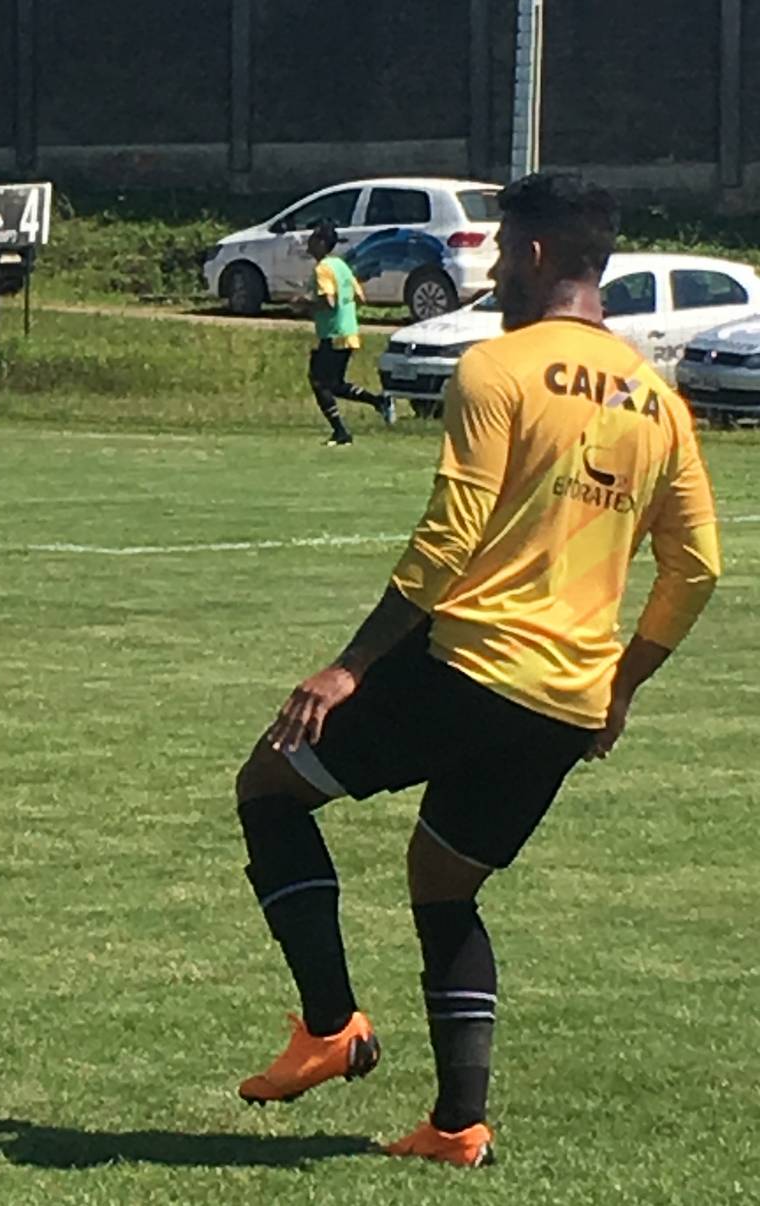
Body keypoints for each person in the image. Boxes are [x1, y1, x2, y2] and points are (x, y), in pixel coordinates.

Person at [230, 174, 720, 1166]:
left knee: (268, 789)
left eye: (500, 252)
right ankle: (457, 1125)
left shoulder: (497, 369)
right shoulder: (656, 401)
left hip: (465, 660)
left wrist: (349, 665)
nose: (491, 269)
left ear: (535, 254)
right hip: (565, 699)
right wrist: (616, 687)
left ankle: (328, 1025)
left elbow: (447, 539)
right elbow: (696, 566)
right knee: (442, 881)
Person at [296, 220, 396, 445]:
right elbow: (361, 297)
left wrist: (304, 304)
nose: (309, 242)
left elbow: (328, 302)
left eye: (313, 238)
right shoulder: (340, 265)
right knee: (334, 384)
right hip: (348, 332)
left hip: (334, 334)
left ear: (321, 242)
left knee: (319, 382)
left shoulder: (322, 268)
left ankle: (341, 432)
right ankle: (379, 402)